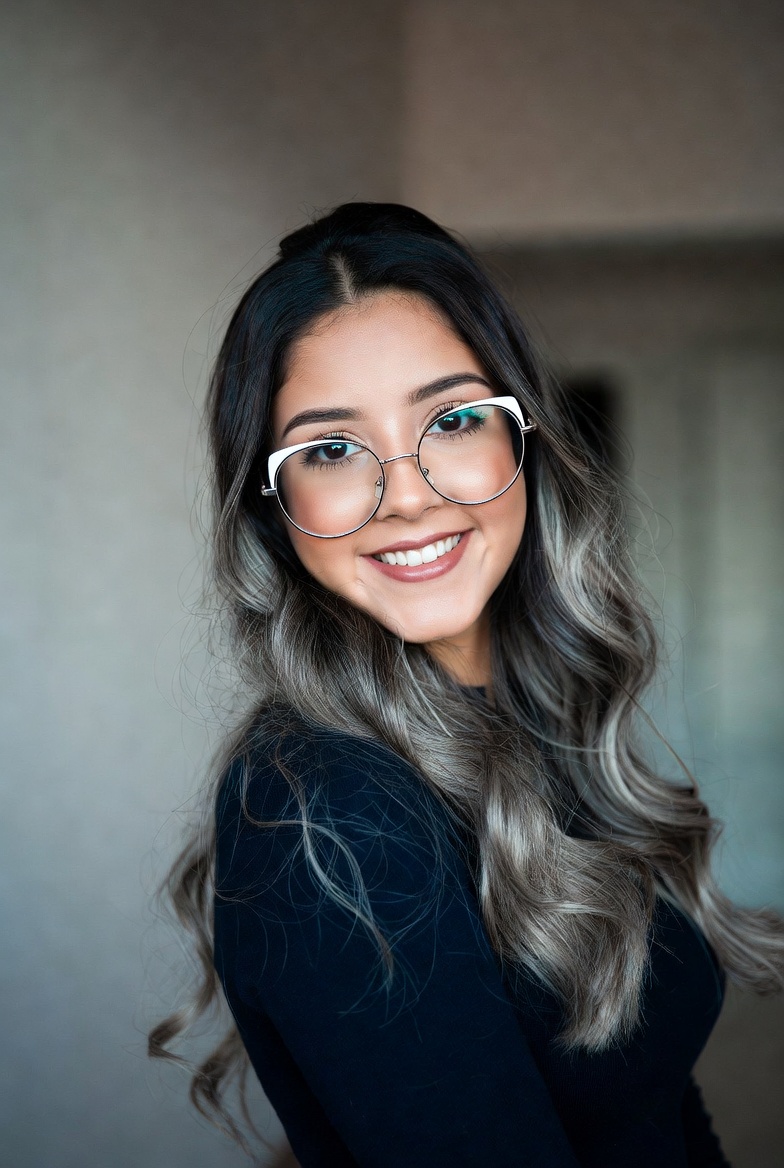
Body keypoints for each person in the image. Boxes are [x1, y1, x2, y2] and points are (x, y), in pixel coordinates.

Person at [149, 202, 784, 1167]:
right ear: (275, 508)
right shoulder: (328, 814)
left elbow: (656, 1104)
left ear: (521, 439)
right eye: (330, 449)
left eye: (451, 420)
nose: (407, 493)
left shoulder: (536, 720)